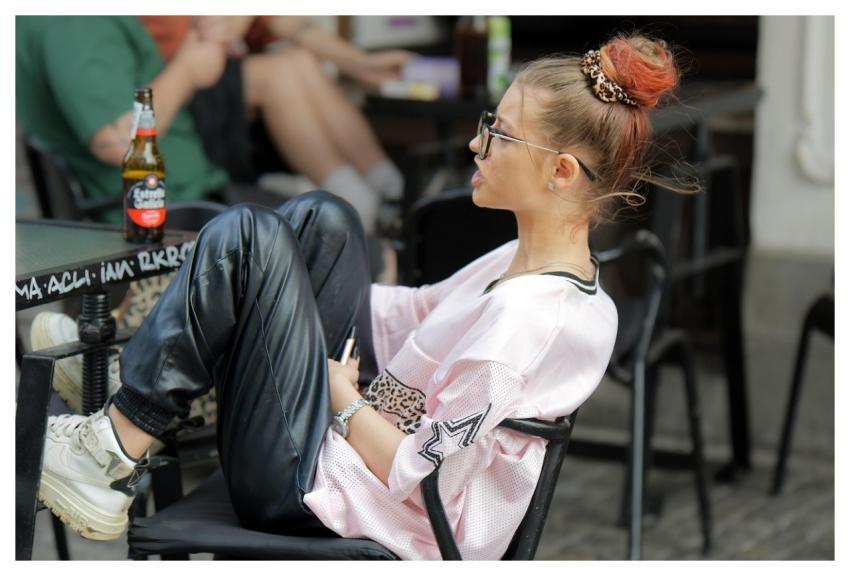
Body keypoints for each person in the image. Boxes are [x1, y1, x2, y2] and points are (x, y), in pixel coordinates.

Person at [37, 34, 680, 559]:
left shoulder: (527, 321)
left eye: (501, 134)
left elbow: (421, 469)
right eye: (489, 123)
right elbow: (410, 314)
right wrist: (277, 293)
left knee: (247, 233)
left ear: (560, 170)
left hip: (341, 505)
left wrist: (341, 396)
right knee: (326, 220)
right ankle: (169, 368)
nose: (476, 144)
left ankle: (114, 445)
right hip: (335, 461)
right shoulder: (530, 266)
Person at [16, 16, 406, 236]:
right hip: (173, 212)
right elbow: (117, 142)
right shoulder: (73, 23)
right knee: (350, 241)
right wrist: (188, 69)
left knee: (344, 231)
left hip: (193, 192)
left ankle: (379, 208)